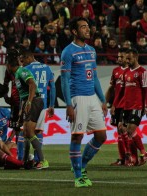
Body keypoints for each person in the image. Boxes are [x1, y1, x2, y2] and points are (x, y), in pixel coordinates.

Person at [60, 17, 107, 188]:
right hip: (77, 97)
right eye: (83, 27)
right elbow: (64, 80)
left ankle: (82, 165)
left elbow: (94, 77)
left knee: (101, 136)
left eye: (88, 26)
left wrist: (102, 100)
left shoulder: (91, 50)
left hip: (92, 98)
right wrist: (68, 104)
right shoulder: (68, 52)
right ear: (74, 31)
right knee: (77, 136)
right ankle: (78, 176)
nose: (88, 29)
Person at [6, 48, 48, 170]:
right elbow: (24, 93)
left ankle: (42, 160)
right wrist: (22, 108)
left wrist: (29, 101)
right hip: (28, 102)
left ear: (8, 65)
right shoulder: (17, 75)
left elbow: (32, 84)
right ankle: (25, 161)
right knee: (25, 133)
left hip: (34, 101)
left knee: (29, 132)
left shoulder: (21, 71)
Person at [20, 49, 56, 167]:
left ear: (29, 57)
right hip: (43, 103)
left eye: (23, 60)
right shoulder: (47, 68)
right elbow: (53, 87)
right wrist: (51, 105)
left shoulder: (26, 70)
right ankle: (35, 160)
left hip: (31, 103)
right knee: (37, 131)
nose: (22, 63)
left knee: (28, 131)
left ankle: (35, 160)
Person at [106, 48, 137, 166]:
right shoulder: (116, 71)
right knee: (119, 131)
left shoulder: (131, 72)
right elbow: (113, 89)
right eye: (118, 57)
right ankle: (122, 158)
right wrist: (110, 104)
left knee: (128, 131)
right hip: (118, 105)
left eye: (121, 57)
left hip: (129, 105)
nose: (119, 59)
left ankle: (133, 157)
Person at [121, 48, 147, 166]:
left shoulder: (142, 72)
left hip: (137, 106)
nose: (127, 61)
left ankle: (143, 153)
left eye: (129, 58)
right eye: (126, 58)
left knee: (131, 130)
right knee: (129, 132)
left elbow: (145, 90)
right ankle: (135, 158)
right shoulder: (126, 72)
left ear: (136, 57)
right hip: (126, 106)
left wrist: (145, 105)